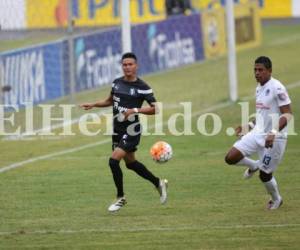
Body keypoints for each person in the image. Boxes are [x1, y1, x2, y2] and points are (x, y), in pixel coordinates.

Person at [80, 52, 168, 212]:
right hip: (117, 129)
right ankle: (158, 183)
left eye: (130, 64)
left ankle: (121, 197)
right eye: (124, 64)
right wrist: (93, 104)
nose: (127, 67)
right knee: (131, 164)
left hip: (131, 130)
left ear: (136, 66)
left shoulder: (143, 87)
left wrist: (134, 110)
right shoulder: (116, 83)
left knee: (113, 161)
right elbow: (109, 100)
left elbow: (156, 109)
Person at [225, 56, 292, 210]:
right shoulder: (259, 88)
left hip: (276, 138)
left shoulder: (278, 88)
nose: (257, 73)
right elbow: (262, 114)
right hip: (258, 133)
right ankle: (254, 165)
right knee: (231, 157)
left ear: (269, 71)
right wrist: (249, 125)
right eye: (255, 70)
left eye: (260, 70)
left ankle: (276, 199)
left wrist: (273, 132)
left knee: (265, 175)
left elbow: (287, 114)